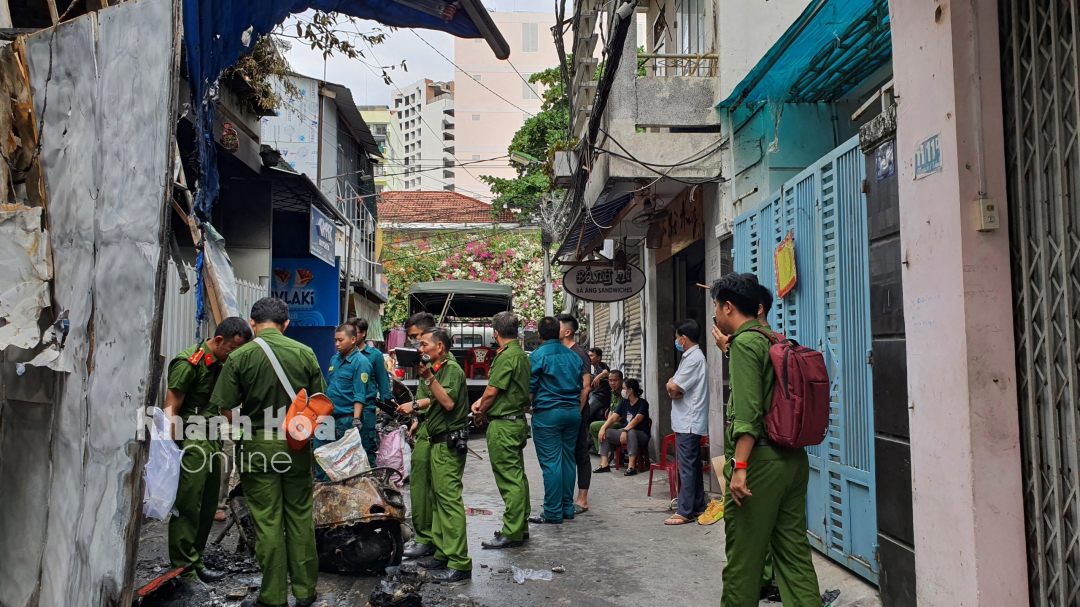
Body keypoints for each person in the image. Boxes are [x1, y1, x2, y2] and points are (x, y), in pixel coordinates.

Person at [210, 298, 326, 607]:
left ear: (252, 323)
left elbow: (225, 408)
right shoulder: (305, 353)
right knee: (300, 517)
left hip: (258, 448)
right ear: (286, 324)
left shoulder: (240, 356)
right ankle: (305, 592)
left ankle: (273, 596)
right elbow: (320, 404)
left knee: (267, 521)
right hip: (296, 448)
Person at [713, 273, 819, 606]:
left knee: (744, 561)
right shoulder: (774, 338)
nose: (715, 315)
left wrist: (740, 467)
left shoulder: (744, 344)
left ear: (728, 307)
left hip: (759, 463)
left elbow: (748, 414)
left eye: (716, 307)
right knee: (793, 555)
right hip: (792, 459)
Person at [165, 317, 252, 583]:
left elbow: (225, 409)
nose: (233, 355)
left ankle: (196, 560)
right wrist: (170, 450)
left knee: (207, 506)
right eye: (231, 349)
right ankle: (183, 568)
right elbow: (171, 407)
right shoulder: (188, 363)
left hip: (212, 439)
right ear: (217, 341)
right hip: (191, 442)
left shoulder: (225, 365)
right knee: (188, 506)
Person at [395, 327, 472, 583]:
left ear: (440, 347)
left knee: (449, 502)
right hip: (436, 442)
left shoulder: (451, 369)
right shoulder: (437, 370)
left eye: (425, 344)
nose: (421, 349)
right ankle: (442, 554)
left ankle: (460, 562)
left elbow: (448, 403)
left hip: (448, 445)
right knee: (438, 501)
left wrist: (429, 378)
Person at [470, 311, 531, 549]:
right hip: (515, 421)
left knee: (509, 478)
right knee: (517, 476)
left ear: (496, 333)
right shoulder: (522, 355)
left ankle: (512, 531)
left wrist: (480, 411)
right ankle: (520, 526)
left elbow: (492, 391)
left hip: (504, 424)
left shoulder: (506, 356)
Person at [527, 316, 584, 525]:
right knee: (568, 460)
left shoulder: (537, 356)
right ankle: (567, 508)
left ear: (539, 335)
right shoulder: (574, 357)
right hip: (572, 412)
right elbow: (580, 385)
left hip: (548, 413)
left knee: (551, 463)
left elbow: (530, 390)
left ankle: (552, 512)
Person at [314, 323, 375, 481]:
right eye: (335, 340)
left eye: (340, 340)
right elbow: (328, 388)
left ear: (353, 339)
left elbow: (360, 394)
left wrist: (356, 419)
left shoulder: (361, 363)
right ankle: (322, 496)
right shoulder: (335, 359)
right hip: (327, 418)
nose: (337, 344)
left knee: (343, 466)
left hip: (346, 420)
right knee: (321, 458)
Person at [664, 319, 710, 526]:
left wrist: (673, 386)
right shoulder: (692, 357)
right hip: (689, 420)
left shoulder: (693, 359)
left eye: (677, 338)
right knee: (693, 465)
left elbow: (673, 387)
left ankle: (685, 510)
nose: (676, 341)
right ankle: (698, 504)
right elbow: (673, 387)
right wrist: (673, 386)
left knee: (687, 466)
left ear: (683, 338)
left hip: (689, 421)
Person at [401, 311, 437, 560]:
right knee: (422, 487)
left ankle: (427, 538)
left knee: (425, 488)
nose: (414, 342)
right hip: (426, 427)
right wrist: (417, 417)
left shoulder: (439, 364)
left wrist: (414, 408)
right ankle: (428, 537)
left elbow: (440, 398)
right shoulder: (425, 361)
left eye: (417, 337)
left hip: (435, 434)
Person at [555, 313, 593, 514]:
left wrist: (576, 411)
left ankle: (582, 499)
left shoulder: (580, 353)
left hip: (577, 411)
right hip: (563, 412)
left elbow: (585, 387)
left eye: (558, 326)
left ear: (567, 332)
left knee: (580, 453)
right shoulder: (558, 352)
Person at [349, 317, 392, 466]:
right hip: (347, 409)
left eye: (354, 332)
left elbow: (383, 383)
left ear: (363, 334)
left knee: (367, 449)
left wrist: (387, 409)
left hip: (367, 409)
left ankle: (371, 484)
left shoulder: (374, 355)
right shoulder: (342, 356)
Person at [593, 378, 651, 475]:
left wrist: (625, 430)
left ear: (630, 391)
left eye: (624, 388)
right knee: (605, 433)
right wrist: (603, 428)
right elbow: (613, 417)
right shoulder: (624, 402)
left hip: (641, 435)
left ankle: (631, 467)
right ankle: (604, 464)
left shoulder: (643, 403)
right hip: (625, 432)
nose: (622, 391)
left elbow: (637, 419)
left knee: (631, 432)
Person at [589, 370, 625, 452]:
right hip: (613, 421)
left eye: (615, 380)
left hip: (623, 424)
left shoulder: (625, 394)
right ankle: (607, 453)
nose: (612, 383)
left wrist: (608, 424)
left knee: (595, 426)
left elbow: (623, 416)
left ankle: (607, 453)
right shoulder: (613, 393)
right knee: (596, 426)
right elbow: (611, 411)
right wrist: (607, 422)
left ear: (621, 381)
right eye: (610, 380)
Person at [586, 347, 611, 423]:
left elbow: (606, 372)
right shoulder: (595, 369)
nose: (589, 358)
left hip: (600, 397)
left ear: (598, 358)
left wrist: (598, 377)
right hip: (594, 394)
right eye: (588, 356)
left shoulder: (601, 365)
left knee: (586, 415)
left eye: (591, 356)